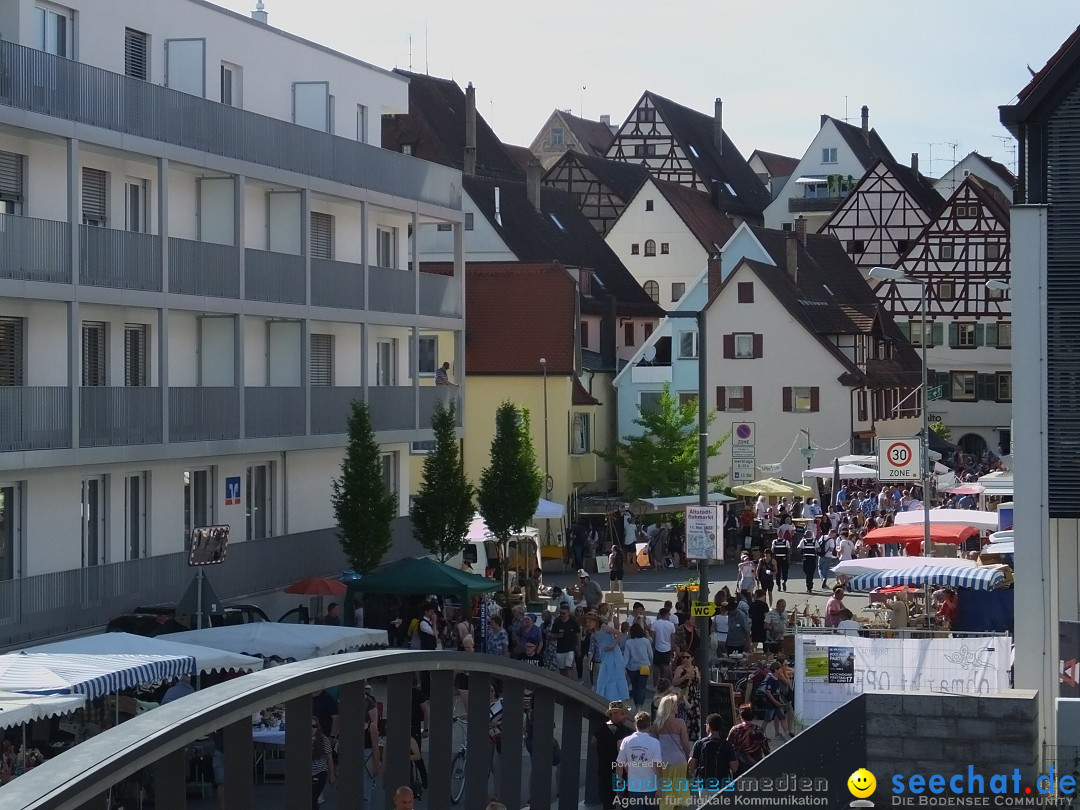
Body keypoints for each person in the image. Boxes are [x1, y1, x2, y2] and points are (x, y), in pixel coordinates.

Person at [652, 693, 692, 808]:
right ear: (673, 707)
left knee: (666, 792)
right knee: (680, 791)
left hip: (663, 762)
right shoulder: (680, 723)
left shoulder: (656, 725)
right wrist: (688, 756)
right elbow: (685, 744)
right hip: (679, 761)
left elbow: (655, 744)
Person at [616, 711, 664, 807]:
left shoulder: (626, 741)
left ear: (635, 724)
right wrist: (660, 788)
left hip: (634, 788)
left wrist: (619, 786)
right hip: (651, 788)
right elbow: (657, 767)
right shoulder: (654, 742)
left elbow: (619, 766)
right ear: (649, 725)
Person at [688, 713, 739, 801]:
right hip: (722, 784)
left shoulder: (699, 744)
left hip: (705, 784)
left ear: (709, 726)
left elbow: (691, 765)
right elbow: (734, 768)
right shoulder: (727, 745)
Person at [595, 701, 633, 810]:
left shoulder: (602, 727)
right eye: (622, 714)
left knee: (608, 805)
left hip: (604, 773)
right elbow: (621, 754)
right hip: (618, 775)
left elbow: (593, 740)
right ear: (614, 714)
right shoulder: (621, 730)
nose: (626, 717)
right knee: (626, 805)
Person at [592, 614, 630, 702]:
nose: (588, 624)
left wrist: (613, 644)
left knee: (612, 675)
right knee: (605, 675)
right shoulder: (594, 631)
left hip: (613, 654)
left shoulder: (604, 628)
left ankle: (614, 698)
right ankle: (606, 698)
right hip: (604, 654)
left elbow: (619, 634)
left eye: (590, 621)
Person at [727, 704, 770, 774]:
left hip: (739, 762)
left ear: (741, 716)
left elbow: (728, 745)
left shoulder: (735, 729)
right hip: (756, 762)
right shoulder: (758, 729)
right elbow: (766, 748)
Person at [310, 718, 336, 810]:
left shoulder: (323, 739)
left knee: (312, 800)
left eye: (314, 726)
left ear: (318, 727)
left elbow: (329, 758)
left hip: (319, 772)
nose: (312, 728)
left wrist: (332, 774)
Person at [551, 602, 580, 678]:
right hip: (560, 649)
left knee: (568, 667)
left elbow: (578, 634)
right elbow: (552, 634)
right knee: (562, 669)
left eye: (564, 613)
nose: (562, 615)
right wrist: (557, 635)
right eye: (561, 613)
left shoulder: (573, 622)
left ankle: (569, 684)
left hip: (570, 648)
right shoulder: (557, 622)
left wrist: (578, 647)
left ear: (568, 613)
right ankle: (564, 683)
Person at [651, 607, 677, 686]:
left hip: (657, 647)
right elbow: (673, 637)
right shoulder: (671, 625)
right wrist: (673, 647)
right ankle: (663, 682)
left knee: (655, 666)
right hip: (667, 647)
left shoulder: (655, 623)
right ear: (666, 614)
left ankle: (655, 684)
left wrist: (653, 645)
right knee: (665, 665)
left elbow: (653, 636)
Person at [771, 527, 792, 592]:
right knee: (783, 571)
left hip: (778, 558)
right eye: (780, 533)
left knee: (778, 572)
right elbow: (789, 550)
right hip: (783, 558)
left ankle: (779, 585)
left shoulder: (775, 541)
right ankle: (783, 582)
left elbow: (772, 550)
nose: (781, 535)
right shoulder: (786, 541)